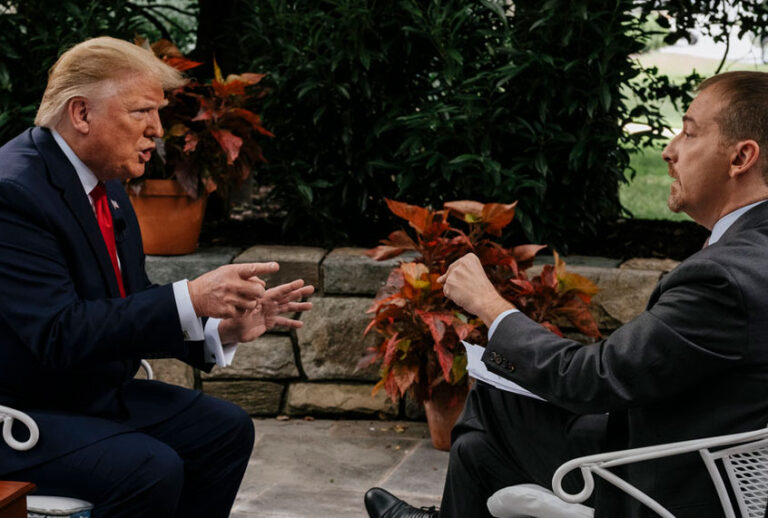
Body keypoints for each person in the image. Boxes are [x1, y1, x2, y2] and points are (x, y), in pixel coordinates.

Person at [364, 70, 768, 518]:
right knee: (479, 444)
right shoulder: (751, 252)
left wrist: (489, 305)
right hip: (705, 456)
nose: (669, 150)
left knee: (496, 400)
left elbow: (596, 379)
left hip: (668, 485)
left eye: (689, 133)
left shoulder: (724, 278)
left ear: (741, 157)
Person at [0, 37, 313, 517]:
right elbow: (59, 332)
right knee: (150, 468)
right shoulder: (14, 192)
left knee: (225, 430)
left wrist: (219, 326)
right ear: (81, 114)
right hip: (20, 412)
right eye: (142, 112)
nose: (158, 131)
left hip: (82, 395)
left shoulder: (106, 185)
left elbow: (129, 300)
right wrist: (191, 296)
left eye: (158, 113)